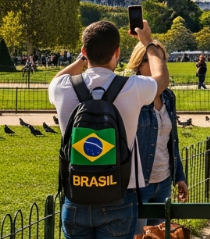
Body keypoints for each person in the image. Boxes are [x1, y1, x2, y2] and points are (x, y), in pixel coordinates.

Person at [49, 20, 169, 239]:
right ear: (117, 52)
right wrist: (148, 43)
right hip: (118, 191)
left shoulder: (62, 87)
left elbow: (56, 79)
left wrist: (83, 58)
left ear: (84, 52)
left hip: (77, 191)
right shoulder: (132, 87)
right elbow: (162, 79)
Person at [128, 40, 189, 233]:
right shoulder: (131, 94)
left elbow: (172, 141)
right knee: (138, 236)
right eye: (151, 59)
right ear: (138, 63)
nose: (157, 64)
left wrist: (179, 176)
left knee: (159, 236)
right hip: (138, 184)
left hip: (163, 180)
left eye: (161, 59)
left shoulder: (168, 97)